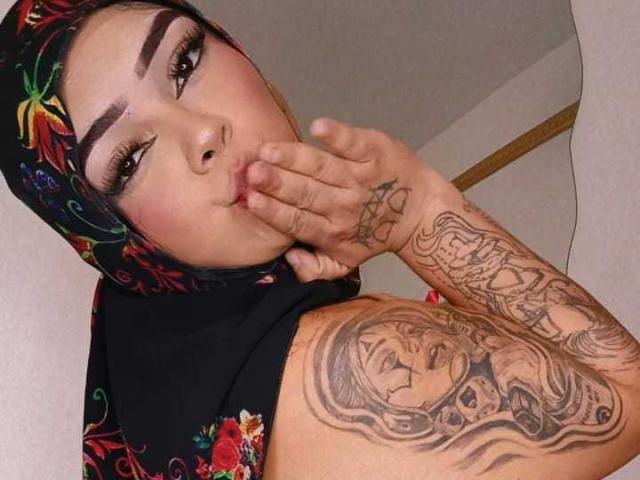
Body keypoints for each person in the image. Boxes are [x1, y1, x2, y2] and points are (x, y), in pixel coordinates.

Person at [0, 1, 637, 479]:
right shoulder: (325, 367)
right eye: (130, 158)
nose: (204, 134)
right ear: (110, 237)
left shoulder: (159, 398)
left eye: (185, 62)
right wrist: (417, 214)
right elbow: (627, 397)